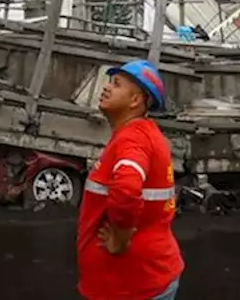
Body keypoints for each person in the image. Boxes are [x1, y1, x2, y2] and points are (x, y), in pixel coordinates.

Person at [77, 60, 183, 300]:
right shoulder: (143, 133)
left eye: (116, 84)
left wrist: (121, 238)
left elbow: (126, 189)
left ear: (135, 100)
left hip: (132, 286)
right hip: (142, 279)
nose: (106, 87)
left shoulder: (133, 138)